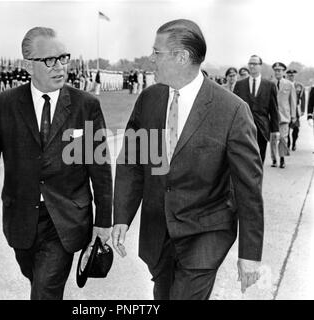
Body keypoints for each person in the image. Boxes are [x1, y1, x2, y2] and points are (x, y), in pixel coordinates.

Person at [112, 19, 264, 300]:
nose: (150, 59)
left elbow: (248, 188)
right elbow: (132, 163)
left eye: (156, 53)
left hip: (205, 233)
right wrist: (121, 215)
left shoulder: (232, 111)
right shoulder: (149, 99)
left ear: (181, 57)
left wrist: (250, 254)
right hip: (158, 233)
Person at [0, 27, 112, 300]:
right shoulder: (5, 104)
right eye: (50, 60)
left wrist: (103, 221)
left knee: (45, 290)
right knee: (36, 280)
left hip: (66, 218)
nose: (60, 67)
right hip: (21, 218)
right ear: (28, 66)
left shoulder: (85, 105)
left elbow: (98, 167)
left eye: (64, 58)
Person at [234, 55, 279, 163]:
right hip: (243, 128)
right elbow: (234, 108)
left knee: (259, 158)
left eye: (255, 64)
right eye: (250, 63)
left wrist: (275, 130)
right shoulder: (240, 85)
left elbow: (274, 109)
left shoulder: (269, 85)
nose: (252, 66)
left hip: (262, 128)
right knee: (245, 158)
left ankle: (258, 179)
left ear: (260, 66)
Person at [270, 62, 296, 168]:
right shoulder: (269, 83)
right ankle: (274, 159)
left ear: (283, 71)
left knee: (283, 138)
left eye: (279, 70)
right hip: (272, 116)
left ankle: (282, 158)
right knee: (273, 139)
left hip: (284, 116)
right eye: (276, 70)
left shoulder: (289, 84)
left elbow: (293, 101)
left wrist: (293, 115)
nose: (277, 72)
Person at [286, 69, 305, 151]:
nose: (291, 76)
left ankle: (294, 143)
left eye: (293, 75)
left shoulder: (299, 86)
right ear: (287, 76)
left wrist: (302, 110)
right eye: (290, 75)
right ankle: (288, 143)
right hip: (286, 109)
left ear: (295, 76)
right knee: (286, 128)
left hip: (296, 110)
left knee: (296, 128)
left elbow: (303, 98)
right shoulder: (284, 84)